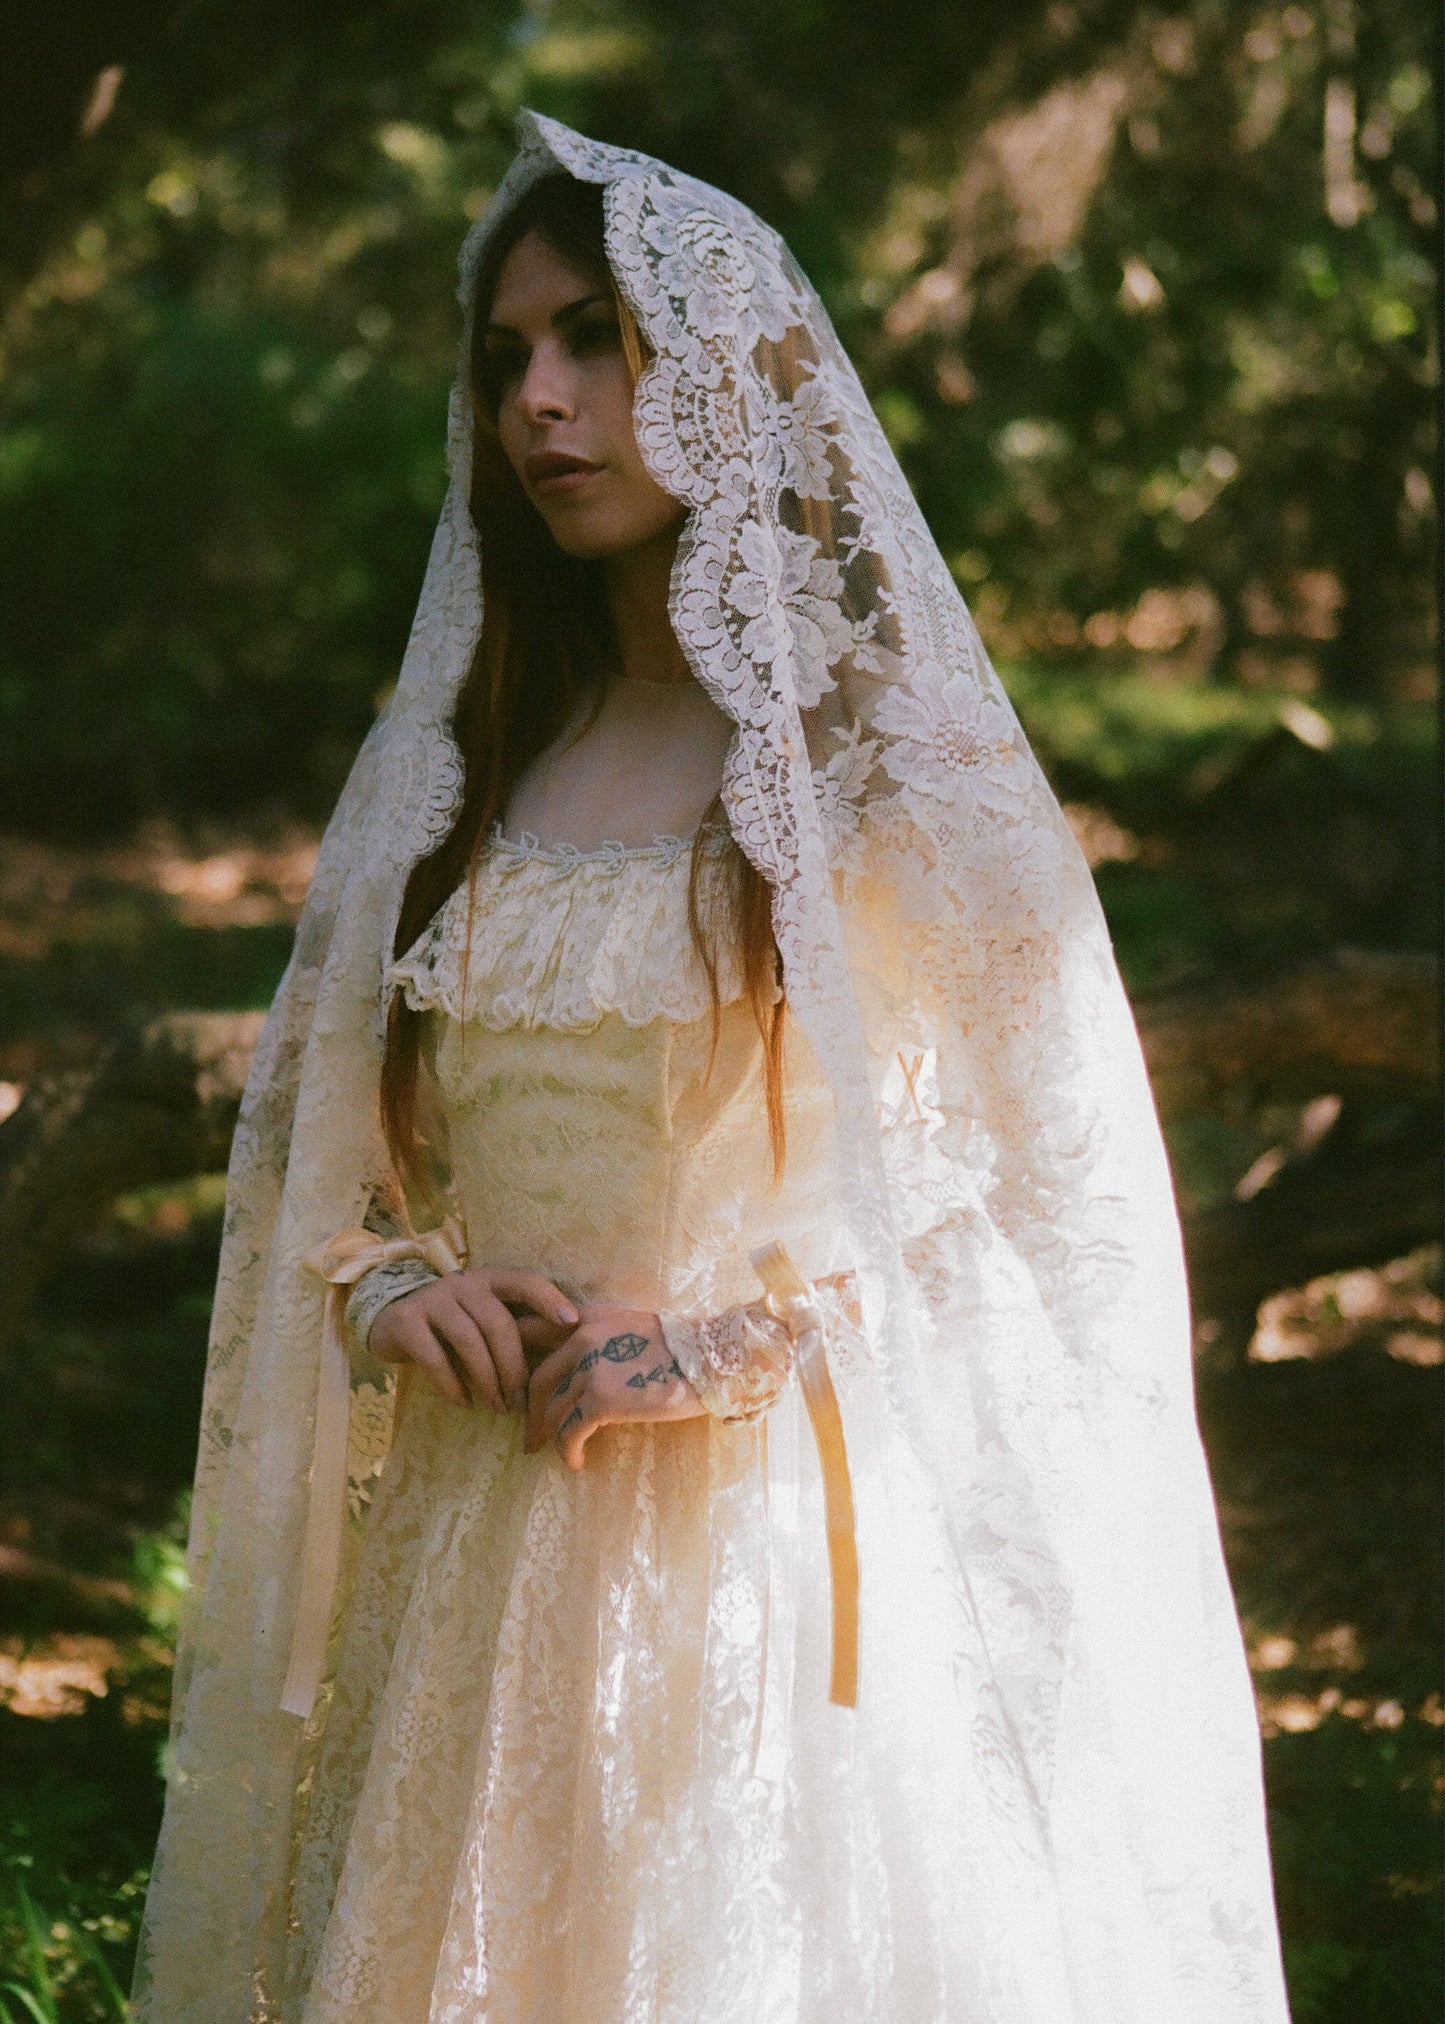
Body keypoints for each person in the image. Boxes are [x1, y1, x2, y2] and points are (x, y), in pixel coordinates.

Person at [134, 113, 1291, 2023]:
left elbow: (1051, 1201)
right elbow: (328, 1163)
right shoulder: (473, 757)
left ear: (726, 358)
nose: (542, 400)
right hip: (476, 1560)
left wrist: (746, 1342)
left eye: (595, 338)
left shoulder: (887, 771)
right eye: (507, 359)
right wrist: (397, 1293)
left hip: (767, 1585)